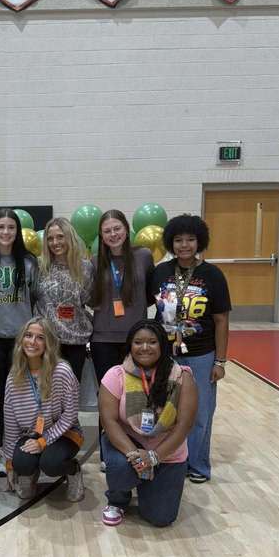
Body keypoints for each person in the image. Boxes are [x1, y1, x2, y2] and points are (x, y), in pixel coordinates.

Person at [151, 214, 231, 484]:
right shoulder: (161, 272)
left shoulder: (213, 275)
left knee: (199, 412)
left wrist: (220, 361)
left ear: (200, 242)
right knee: (164, 410)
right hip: (165, 354)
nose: (184, 245)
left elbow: (221, 320)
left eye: (190, 239)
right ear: (170, 243)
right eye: (178, 240)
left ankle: (197, 465)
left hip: (200, 355)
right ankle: (169, 460)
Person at [99, 320, 198, 527]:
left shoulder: (182, 376)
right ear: (130, 345)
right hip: (129, 445)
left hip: (168, 453)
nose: (145, 347)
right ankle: (118, 499)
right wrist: (136, 457)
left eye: (152, 342)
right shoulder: (115, 375)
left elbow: (184, 425)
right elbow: (109, 421)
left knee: (161, 518)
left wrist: (154, 457)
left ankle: (148, 485)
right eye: (138, 342)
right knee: (120, 471)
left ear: (162, 344)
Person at [0, 208, 39, 478]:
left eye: (11, 227)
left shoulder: (28, 262)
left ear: (17, 231)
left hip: (21, 341)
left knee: (24, 396)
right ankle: (0, 451)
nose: (5, 232)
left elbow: (34, 296)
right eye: (1, 227)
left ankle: (25, 448)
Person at [3, 319, 85, 502]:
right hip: (32, 433)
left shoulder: (62, 371)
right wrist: (10, 463)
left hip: (65, 433)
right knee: (21, 463)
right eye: (28, 335)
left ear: (49, 343)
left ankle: (73, 470)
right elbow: (10, 423)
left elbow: (70, 415)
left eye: (40, 337)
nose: (32, 342)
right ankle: (30, 474)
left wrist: (44, 441)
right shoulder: (14, 376)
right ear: (21, 340)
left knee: (51, 463)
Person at [89, 209, 154, 384]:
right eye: (107, 231)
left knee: (137, 395)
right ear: (101, 236)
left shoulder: (144, 256)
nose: (113, 234)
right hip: (103, 340)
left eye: (117, 228)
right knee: (108, 393)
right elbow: (90, 297)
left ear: (126, 229)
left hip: (137, 338)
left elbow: (150, 294)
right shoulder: (95, 262)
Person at [35, 216, 93, 382]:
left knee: (70, 393)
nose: (55, 242)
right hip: (45, 341)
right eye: (50, 238)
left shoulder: (85, 267)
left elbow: (86, 298)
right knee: (44, 393)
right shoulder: (39, 266)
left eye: (60, 236)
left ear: (70, 237)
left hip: (75, 340)